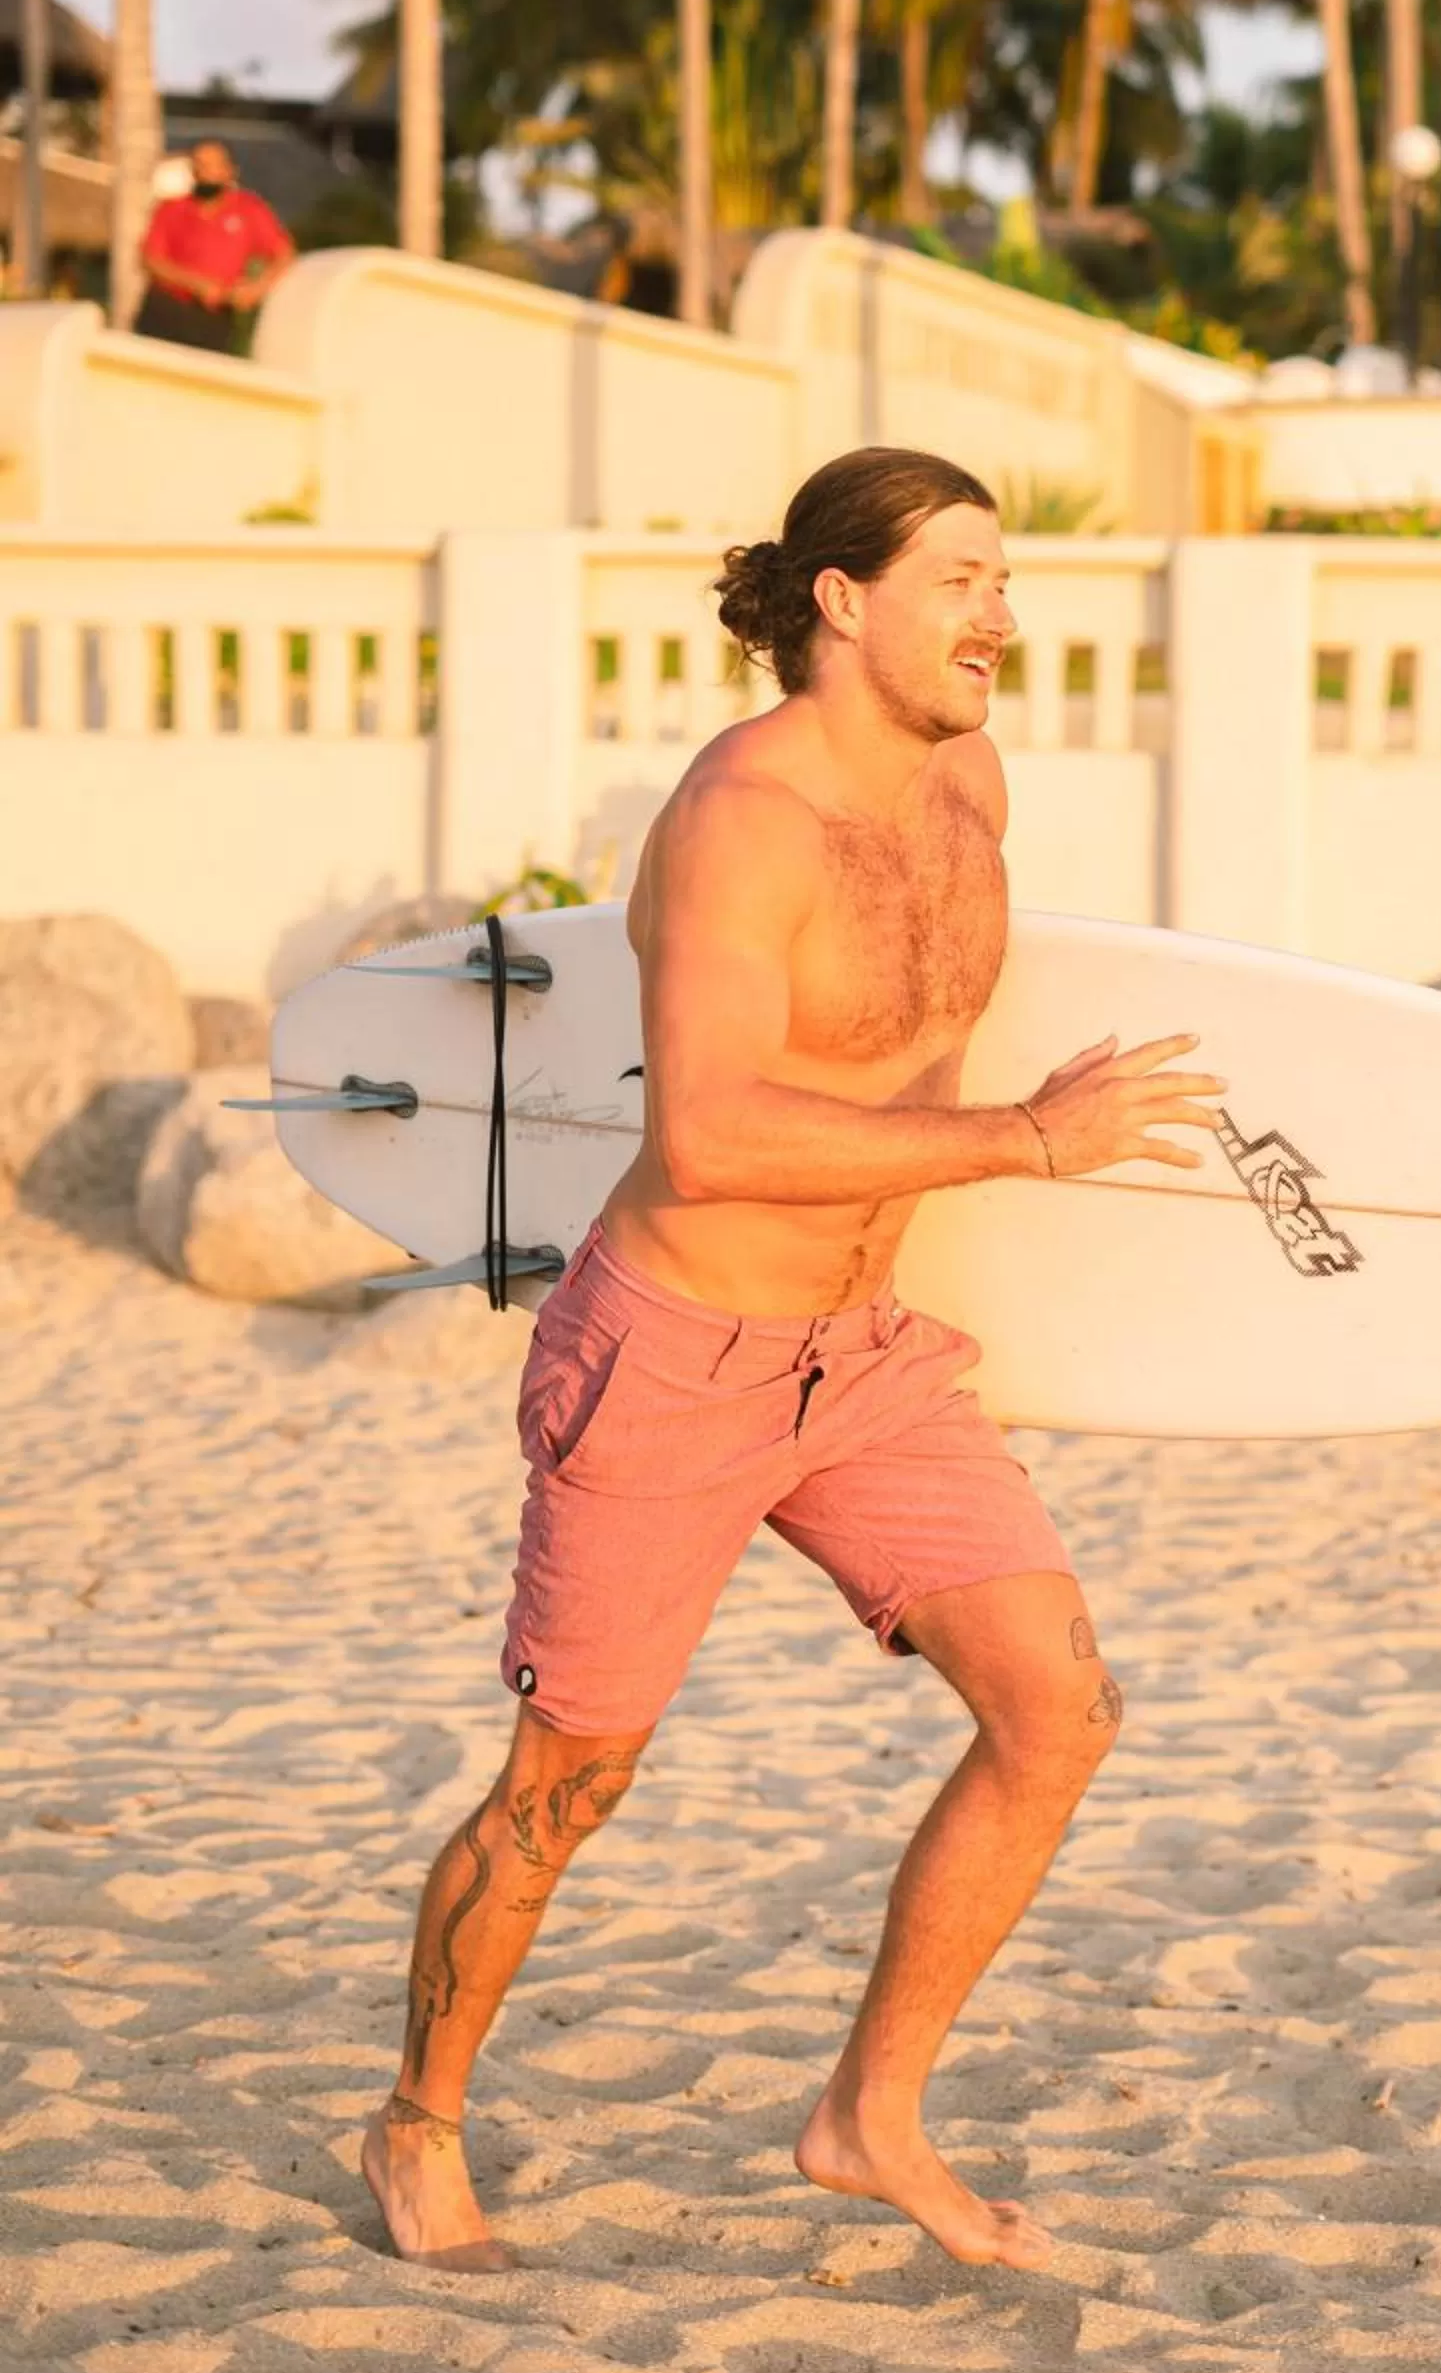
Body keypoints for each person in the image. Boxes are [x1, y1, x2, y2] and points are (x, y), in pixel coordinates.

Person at [361, 448, 1224, 2279]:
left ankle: (866, 2117)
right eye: (962, 580)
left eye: (1004, 579)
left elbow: (908, 1051)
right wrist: (1027, 1143)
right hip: (673, 1352)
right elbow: (710, 1134)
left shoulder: (968, 782)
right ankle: (418, 2120)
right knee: (569, 1785)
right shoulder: (741, 820)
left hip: (866, 1353)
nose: (1002, 616)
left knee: (1057, 1712)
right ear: (843, 599)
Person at [137, 139, 294, 351]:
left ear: (230, 170)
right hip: (167, 310)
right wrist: (197, 284)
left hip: (214, 318)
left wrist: (256, 289)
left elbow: (283, 254)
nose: (205, 172)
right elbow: (152, 260)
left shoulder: (249, 210)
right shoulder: (171, 209)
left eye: (213, 166)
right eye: (199, 165)